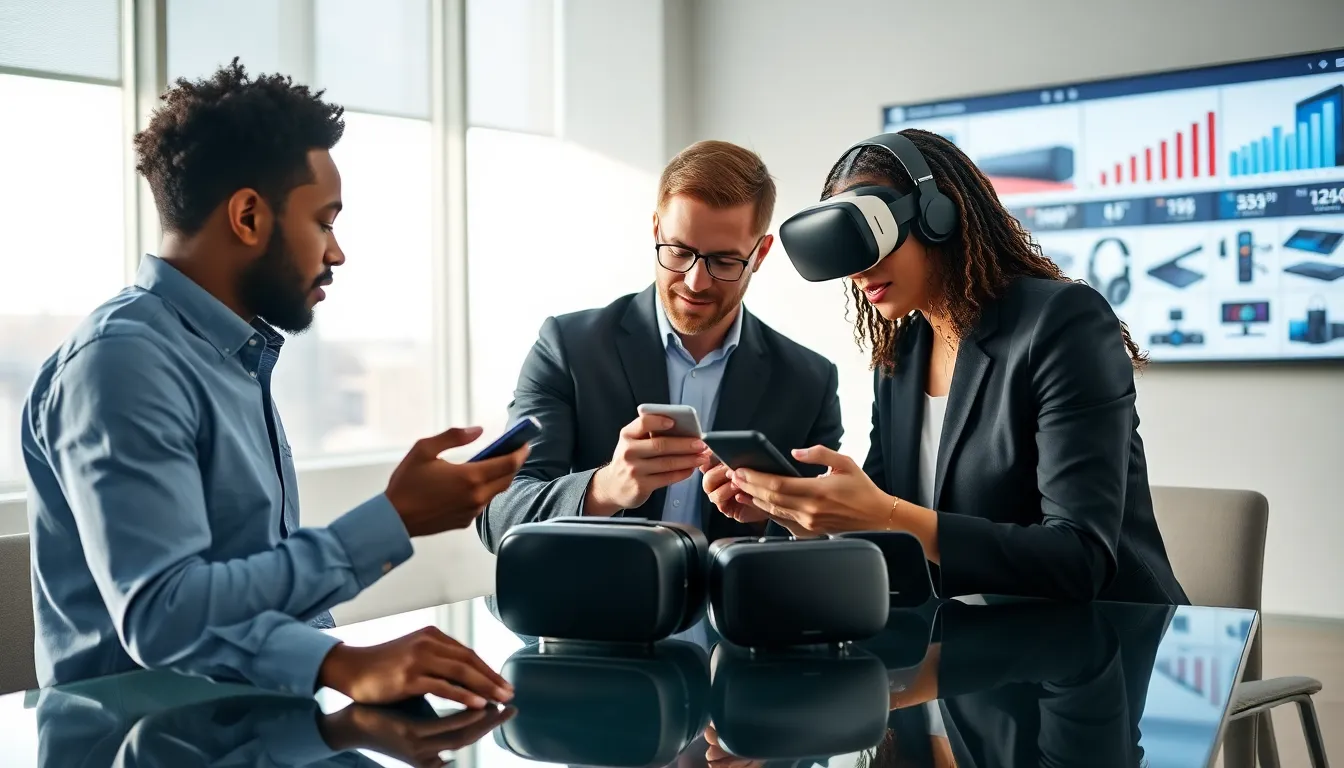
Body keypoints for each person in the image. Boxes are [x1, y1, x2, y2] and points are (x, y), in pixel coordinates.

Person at [21, 59, 526, 705]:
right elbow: (165, 615)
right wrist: (392, 522)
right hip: (144, 738)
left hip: (253, 722)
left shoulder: (234, 356)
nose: (336, 252)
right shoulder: (122, 364)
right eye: (324, 220)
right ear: (250, 217)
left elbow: (231, 597)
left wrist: (341, 665)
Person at [712, 129, 1187, 604]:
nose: (859, 272)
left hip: (1106, 646)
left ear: (937, 215)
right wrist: (807, 518)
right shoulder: (900, 358)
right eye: (848, 254)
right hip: (974, 652)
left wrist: (886, 513)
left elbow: (1081, 560)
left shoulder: (1062, 323)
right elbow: (893, 549)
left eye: (873, 239)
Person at [476, 140, 843, 550]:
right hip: (587, 609)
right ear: (655, 230)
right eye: (679, 251)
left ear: (760, 254)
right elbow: (496, 514)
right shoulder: (568, 348)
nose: (694, 282)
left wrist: (779, 517)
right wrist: (605, 488)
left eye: (724, 262)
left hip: (733, 610)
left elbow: (830, 543)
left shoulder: (809, 381)